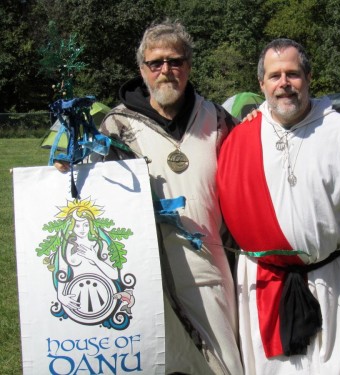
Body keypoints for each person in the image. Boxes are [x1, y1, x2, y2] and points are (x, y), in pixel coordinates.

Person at [57, 19, 244, 375]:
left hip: (211, 274)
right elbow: (89, 201)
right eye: (156, 63)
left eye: (175, 61)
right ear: (142, 70)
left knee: (225, 368)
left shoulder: (218, 120)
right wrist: (67, 172)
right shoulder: (116, 127)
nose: (166, 70)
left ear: (188, 66)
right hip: (144, 279)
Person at [217, 38, 340, 375]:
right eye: (274, 76)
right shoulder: (241, 140)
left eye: (293, 74)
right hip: (264, 283)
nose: (284, 84)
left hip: (332, 281)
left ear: (309, 77)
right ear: (261, 84)